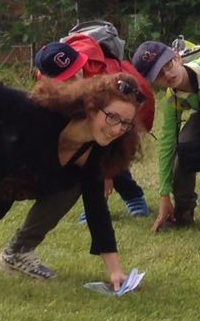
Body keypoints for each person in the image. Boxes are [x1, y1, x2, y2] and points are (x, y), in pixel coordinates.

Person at [0, 57, 143, 289]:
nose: (117, 129)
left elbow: (96, 208)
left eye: (126, 123)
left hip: (11, 175)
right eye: (112, 117)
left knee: (72, 185)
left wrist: (115, 270)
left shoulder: (96, 152)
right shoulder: (35, 112)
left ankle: (17, 253)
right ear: (91, 107)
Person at [41, 34, 152, 222]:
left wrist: (108, 174)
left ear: (80, 66)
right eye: (65, 79)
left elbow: (116, 135)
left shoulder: (104, 81)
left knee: (113, 159)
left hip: (122, 119)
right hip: (92, 123)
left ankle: (133, 197)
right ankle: (93, 203)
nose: (72, 80)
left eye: (74, 74)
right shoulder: (54, 91)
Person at [131, 40, 200, 231]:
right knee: (184, 147)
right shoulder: (173, 98)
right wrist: (164, 194)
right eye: (158, 75)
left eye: (168, 65)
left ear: (177, 58)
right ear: (152, 82)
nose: (167, 75)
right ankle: (183, 213)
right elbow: (168, 143)